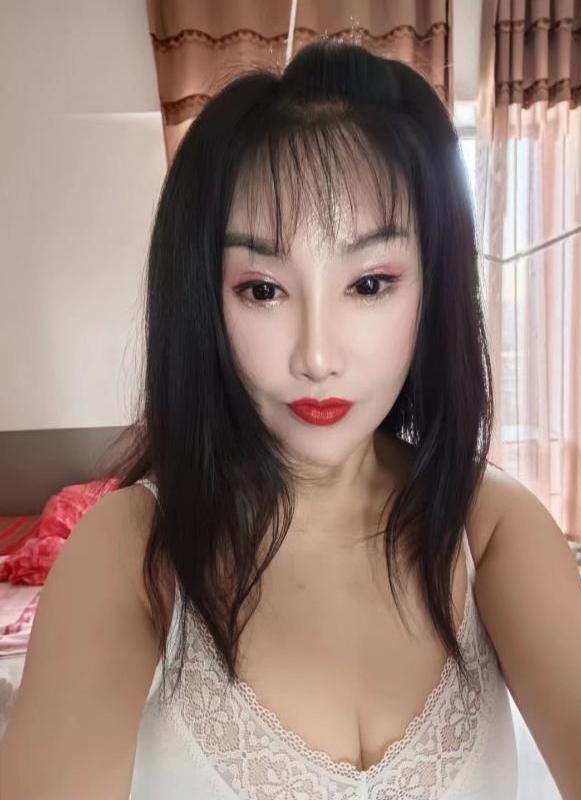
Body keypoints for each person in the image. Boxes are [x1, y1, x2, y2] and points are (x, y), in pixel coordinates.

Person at [1, 38, 520, 799]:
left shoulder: (492, 524)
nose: (316, 357)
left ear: (432, 286)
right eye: (263, 290)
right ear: (204, 302)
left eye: (370, 283)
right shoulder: (129, 550)